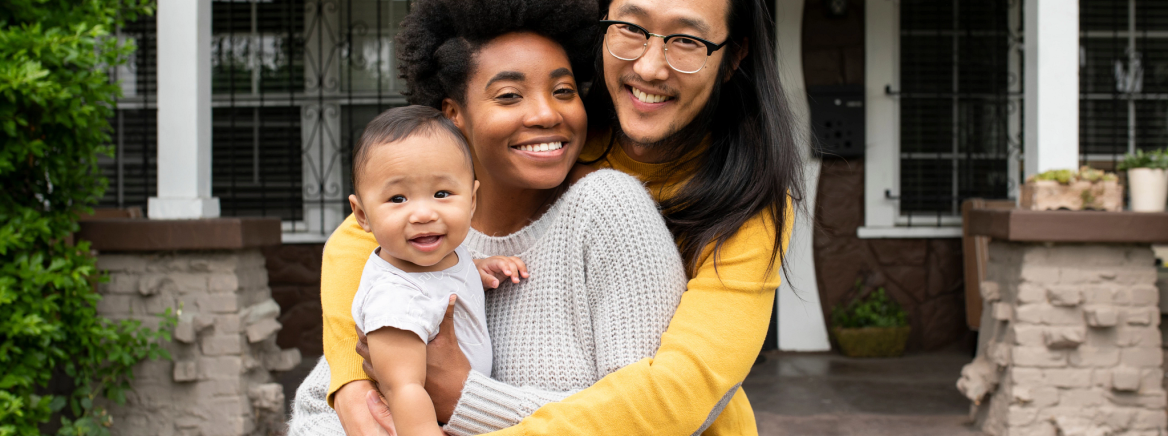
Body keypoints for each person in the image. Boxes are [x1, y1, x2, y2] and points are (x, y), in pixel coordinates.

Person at [349, 0, 806, 433]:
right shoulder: (555, 148)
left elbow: (678, 395)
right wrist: (352, 386)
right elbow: (359, 240)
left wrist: (464, 400)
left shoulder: (735, 202)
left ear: (732, 56)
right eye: (631, 28)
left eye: (687, 40)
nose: (649, 66)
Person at [286, 0, 690, 434]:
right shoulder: (420, 242)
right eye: (509, 95)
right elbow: (320, 410)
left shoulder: (607, 210)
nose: (546, 113)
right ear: (453, 116)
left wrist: (465, 396)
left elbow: (651, 418)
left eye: (563, 91)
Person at [344, 105, 530, 436]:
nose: (423, 213)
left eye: (442, 194)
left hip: (469, 410)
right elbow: (405, 389)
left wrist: (478, 271)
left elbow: (442, 284)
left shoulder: (445, 253)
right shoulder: (393, 300)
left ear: (471, 200)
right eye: (398, 198)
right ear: (362, 214)